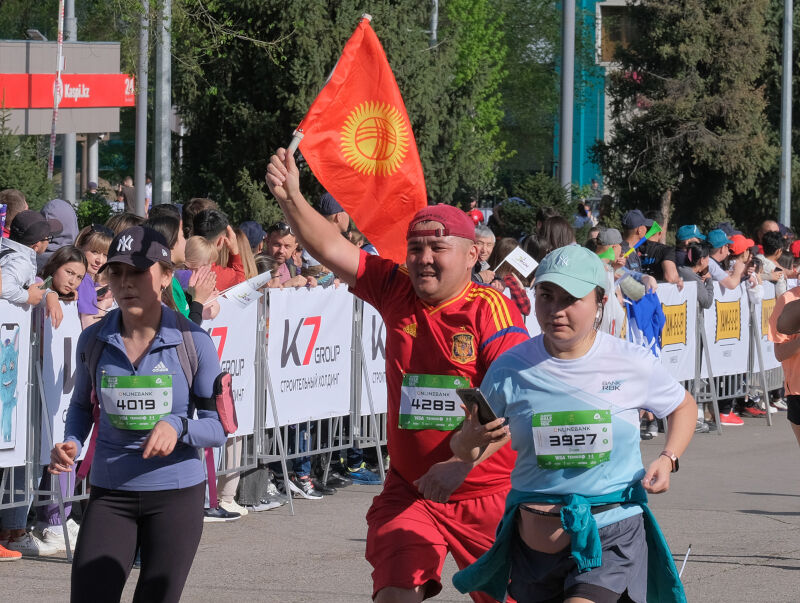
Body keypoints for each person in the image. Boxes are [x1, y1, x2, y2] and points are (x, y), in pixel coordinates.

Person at [267, 148, 530, 603]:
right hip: (412, 490)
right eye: (415, 249)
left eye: (437, 249)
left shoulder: (491, 310)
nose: (423, 259)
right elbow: (331, 248)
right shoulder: (396, 288)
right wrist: (291, 196)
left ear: (472, 255)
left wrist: (462, 464)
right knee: (395, 591)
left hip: (485, 494)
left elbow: (518, 405)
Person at [449, 245, 697, 603]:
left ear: (599, 302)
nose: (556, 310)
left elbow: (683, 406)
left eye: (570, 299)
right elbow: (467, 449)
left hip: (611, 534)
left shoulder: (631, 361)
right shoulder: (510, 367)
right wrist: (469, 440)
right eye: (546, 296)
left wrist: (668, 458)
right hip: (534, 549)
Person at [49, 225, 227, 602]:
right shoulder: (94, 339)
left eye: (138, 272)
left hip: (175, 496)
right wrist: (72, 442)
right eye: (117, 272)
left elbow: (218, 428)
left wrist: (177, 426)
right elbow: (81, 406)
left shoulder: (193, 341)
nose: (126, 282)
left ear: (165, 276)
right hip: (110, 494)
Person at [75, 223, 115, 328]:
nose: (100, 260)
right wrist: (103, 304)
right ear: (80, 247)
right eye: (95, 252)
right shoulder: (84, 279)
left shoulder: (81, 278)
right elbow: (90, 325)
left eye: (105, 255)